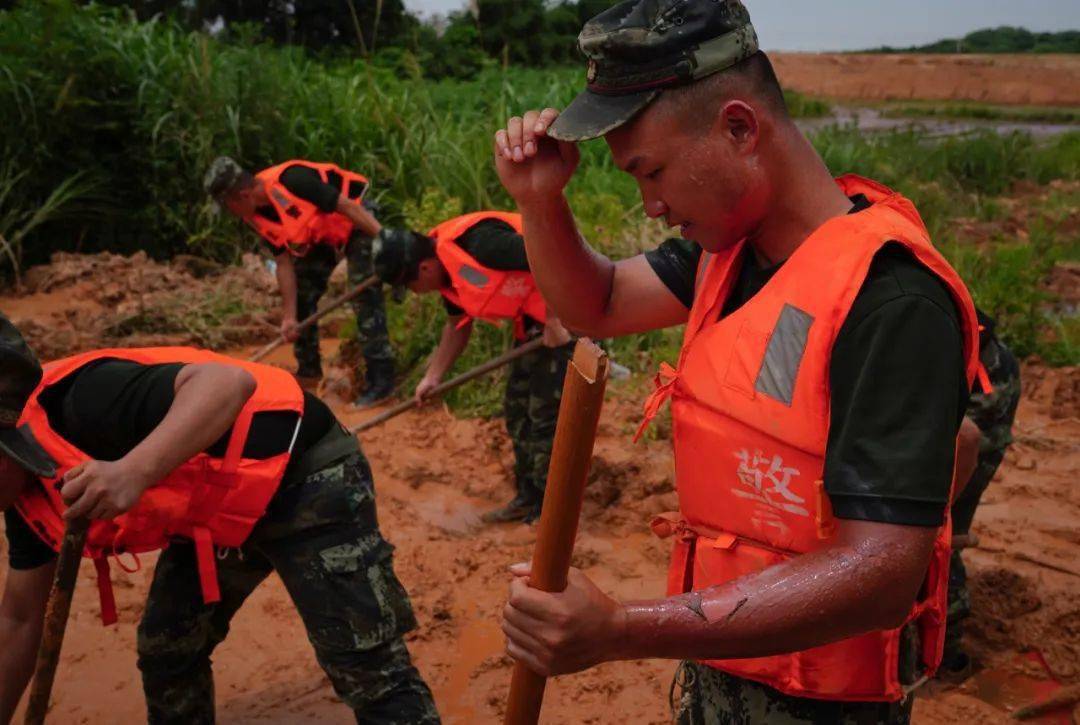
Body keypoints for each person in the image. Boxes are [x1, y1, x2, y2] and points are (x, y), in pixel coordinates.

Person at [492, 1, 985, 722]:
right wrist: (540, 203)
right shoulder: (729, 252)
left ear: (738, 128)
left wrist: (623, 627)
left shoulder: (892, 298)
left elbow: (879, 573)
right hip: (724, 677)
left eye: (651, 171)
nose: (650, 204)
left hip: (821, 703)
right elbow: (595, 303)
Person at [0, 314, 438, 724]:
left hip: (305, 475)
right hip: (218, 510)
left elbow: (227, 382)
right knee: (169, 650)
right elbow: (19, 619)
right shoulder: (22, 498)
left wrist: (132, 470)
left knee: (365, 666)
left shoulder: (83, 399)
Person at [372, 215, 573, 524]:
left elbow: (548, 251)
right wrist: (432, 376)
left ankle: (551, 515)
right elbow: (457, 327)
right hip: (533, 327)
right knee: (517, 410)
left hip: (570, 314)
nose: (415, 292)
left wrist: (555, 318)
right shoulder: (447, 278)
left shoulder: (480, 244)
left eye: (410, 286)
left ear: (424, 268)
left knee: (546, 418)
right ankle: (528, 498)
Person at [204, 156, 395, 408]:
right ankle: (308, 371)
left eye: (228, 206)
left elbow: (349, 207)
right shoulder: (253, 216)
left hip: (358, 223)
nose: (230, 214)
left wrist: (388, 243)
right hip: (324, 237)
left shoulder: (292, 180)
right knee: (303, 292)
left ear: (243, 195)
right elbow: (283, 263)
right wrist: (289, 317)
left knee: (364, 296)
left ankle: (381, 382)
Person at [942, 313, 1021, 679]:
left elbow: (968, 437)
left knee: (942, 541)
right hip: (969, 439)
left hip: (970, 450)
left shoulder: (990, 362)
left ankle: (947, 652)